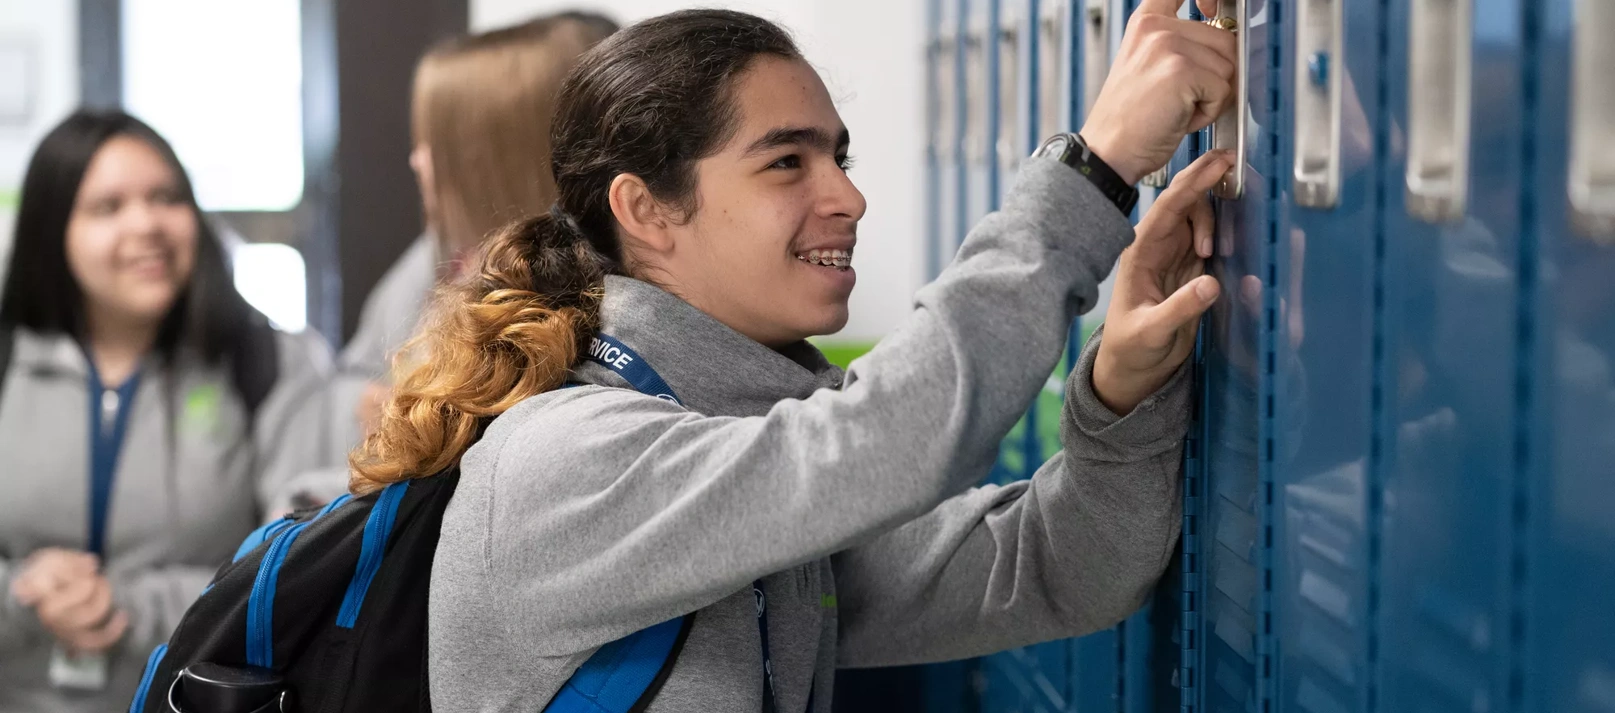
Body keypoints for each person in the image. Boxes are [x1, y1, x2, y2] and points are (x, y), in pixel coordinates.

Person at [354, 5, 1235, 710]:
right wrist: (1093, 174)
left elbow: (1054, 567)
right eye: (785, 162)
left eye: (837, 156)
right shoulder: (569, 461)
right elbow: (891, 441)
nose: (847, 196)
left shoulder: (727, 454)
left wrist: (1125, 392)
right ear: (647, 210)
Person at [0, 110, 330, 712]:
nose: (147, 224)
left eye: (167, 198)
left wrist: (122, 605)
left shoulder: (269, 361)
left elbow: (303, 570)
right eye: (108, 207)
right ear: (53, 229)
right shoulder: (7, 358)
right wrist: (24, 596)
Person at [318, 11, 620, 471]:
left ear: (501, 160)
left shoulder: (603, 309)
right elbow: (355, 378)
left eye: (441, 145)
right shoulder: (438, 258)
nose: (416, 161)